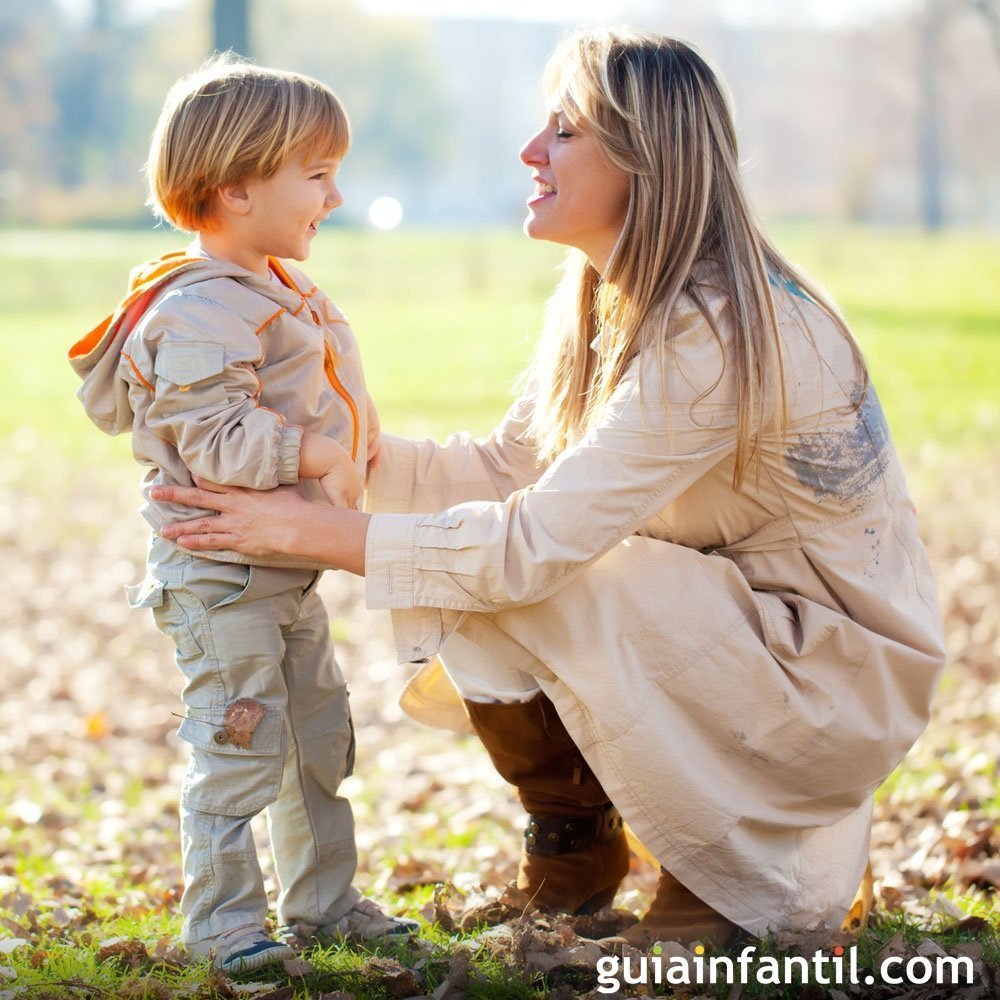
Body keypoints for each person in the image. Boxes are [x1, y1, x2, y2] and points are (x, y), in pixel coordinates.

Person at [151, 30, 946, 947]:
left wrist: (301, 533)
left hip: (827, 678)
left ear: (646, 158)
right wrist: (326, 456)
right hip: (749, 633)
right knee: (468, 554)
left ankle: (713, 885)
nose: (532, 150)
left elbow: (525, 547)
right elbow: (503, 472)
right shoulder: (607, 300)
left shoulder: (718, 331)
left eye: (564, 132)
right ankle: (576, 852)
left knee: (535, 570)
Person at [68, 56, 416, 972]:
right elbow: (215, 433)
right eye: (317, 174)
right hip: (223, 580)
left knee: (315, 742)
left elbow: (319, 384)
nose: (334, 196)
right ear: (233, 187)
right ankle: (226, 929)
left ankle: (325, 903)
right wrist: (313, 454)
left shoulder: (273, 286)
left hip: (284, 568)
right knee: (241, 743)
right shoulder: (197, 309)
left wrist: (361, 437)